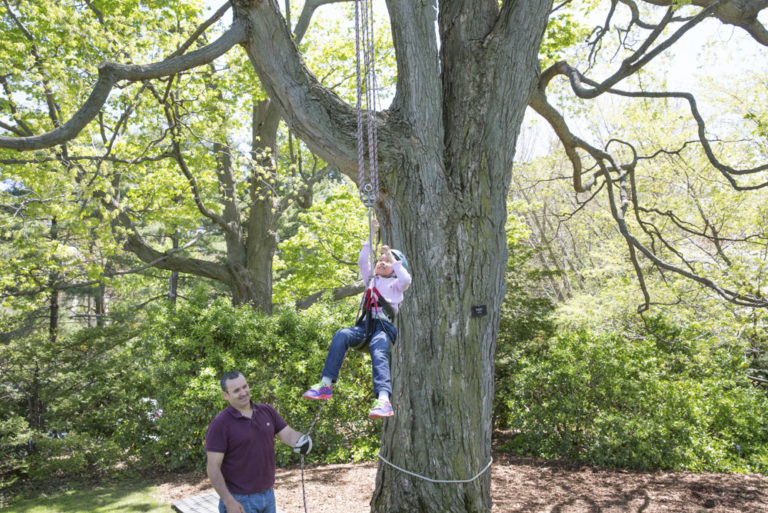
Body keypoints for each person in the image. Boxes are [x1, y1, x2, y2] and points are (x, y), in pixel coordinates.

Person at [302, 220, 412, 419]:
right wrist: (371, 234)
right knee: (342, 334)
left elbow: (406, 279)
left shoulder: (397, 284)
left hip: (383, 329)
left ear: (396, 267)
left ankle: (384, 401)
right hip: (365, 327)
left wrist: (392, 258)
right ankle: (326, 384)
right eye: (381, 259)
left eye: (387, 261)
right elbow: (363, 260)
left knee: (379, 352)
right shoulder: (371, 279)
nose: (382, 262)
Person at [206, 370, 312, 513]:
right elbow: (213, 467)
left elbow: (288, 434)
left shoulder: (266, 411)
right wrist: (228, 501)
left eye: (245, 386)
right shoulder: (220, 424)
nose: (243, 392)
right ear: (225, 395)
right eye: (236, 390)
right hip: (239, 500)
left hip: (268, 496)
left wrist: (302, 440)